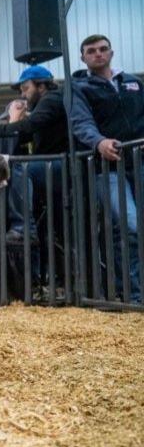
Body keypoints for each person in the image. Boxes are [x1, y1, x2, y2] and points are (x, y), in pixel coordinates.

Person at [70, 34, 143, 303]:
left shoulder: (133, 82)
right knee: (130, 226)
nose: (98, 54)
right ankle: (135, 296)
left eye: (103, 49)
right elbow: (80, 123)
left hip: (140, 162)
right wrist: (99, 142)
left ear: (111, 53)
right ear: (83, 58)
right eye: (91, 51)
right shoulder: (79, 87)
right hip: (107, 168)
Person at [0, 65, 68, 244]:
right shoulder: (47, 102)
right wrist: (14, 119)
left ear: (41, 86)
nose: (23, 95)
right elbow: (23, 136)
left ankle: (23, 228)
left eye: (25, 89)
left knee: (20, 167)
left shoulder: (53, 98)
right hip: (55, 164)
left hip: (61, 164)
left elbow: (28, 127)